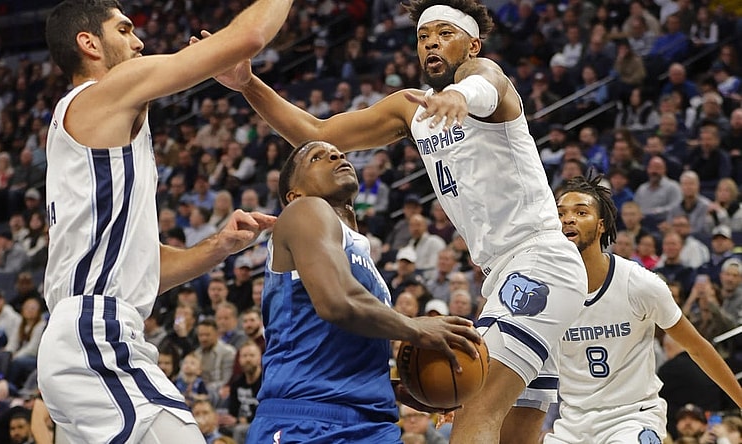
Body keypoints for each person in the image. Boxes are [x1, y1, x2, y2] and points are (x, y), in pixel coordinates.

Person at [206, 0, 588, 441]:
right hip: (504, 273)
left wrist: (458, 96)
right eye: (424, 37)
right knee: (514, 429)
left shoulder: (484, 80)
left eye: (445, 34)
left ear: (472, 44)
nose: (431, 43)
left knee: (476, 409)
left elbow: (486, 83)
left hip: (539, 262)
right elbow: (319, 134)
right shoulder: (413, 109)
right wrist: (248, 84)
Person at [36, 0, 287, 443]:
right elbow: (247, 38)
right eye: (125, 30)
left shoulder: (84, 129)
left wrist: (218, 246)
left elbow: (141, 270)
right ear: (89, 43)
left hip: (80, 335)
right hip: (96, 334)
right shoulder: (108, 91)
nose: (139, 41)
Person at [244, 141, 480, 442]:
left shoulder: (362, 255)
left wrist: (399, 384)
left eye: (338, 153)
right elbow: (336, 304)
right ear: (294, 195)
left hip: (373, 420)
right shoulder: (304, 210)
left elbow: (343, 335)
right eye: (316, 157)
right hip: (304, 418)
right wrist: (415, 328)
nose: (336, 155)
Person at [546, 176, 742, 443]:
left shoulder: (639, 283)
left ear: (602, 225)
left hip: (632, 419)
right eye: (560, 213)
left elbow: (697, 347)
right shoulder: (547, 291)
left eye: (581, 212)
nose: (568, 219)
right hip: (573, 424)